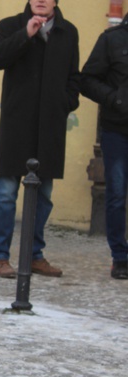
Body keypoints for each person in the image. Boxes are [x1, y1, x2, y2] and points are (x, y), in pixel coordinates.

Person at [0, 0, 79, 279]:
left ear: (55, 1)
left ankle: (34, 254)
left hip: (50, 126)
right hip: (17, 124)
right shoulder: (10, 24)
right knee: (6, 193)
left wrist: (67, 102)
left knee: (44, 195)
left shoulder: (68, 32)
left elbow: (73, 76)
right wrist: (25, 34)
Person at [80, 15, 128, 280]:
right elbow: (86, 80)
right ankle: (120, 257)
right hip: (117, 131)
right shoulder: (111, 39)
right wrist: (115, 99)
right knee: (117, 194)